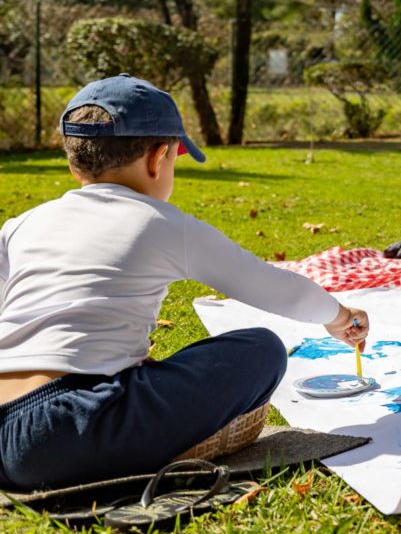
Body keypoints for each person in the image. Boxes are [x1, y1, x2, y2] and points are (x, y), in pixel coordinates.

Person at [0, 74, 369, 491]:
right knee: (261, 349)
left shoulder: (21, 225)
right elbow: (273, 287)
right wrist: (339, 315)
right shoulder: (161, 224)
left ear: (74, 162)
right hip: (66, 432)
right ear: (159, 158)